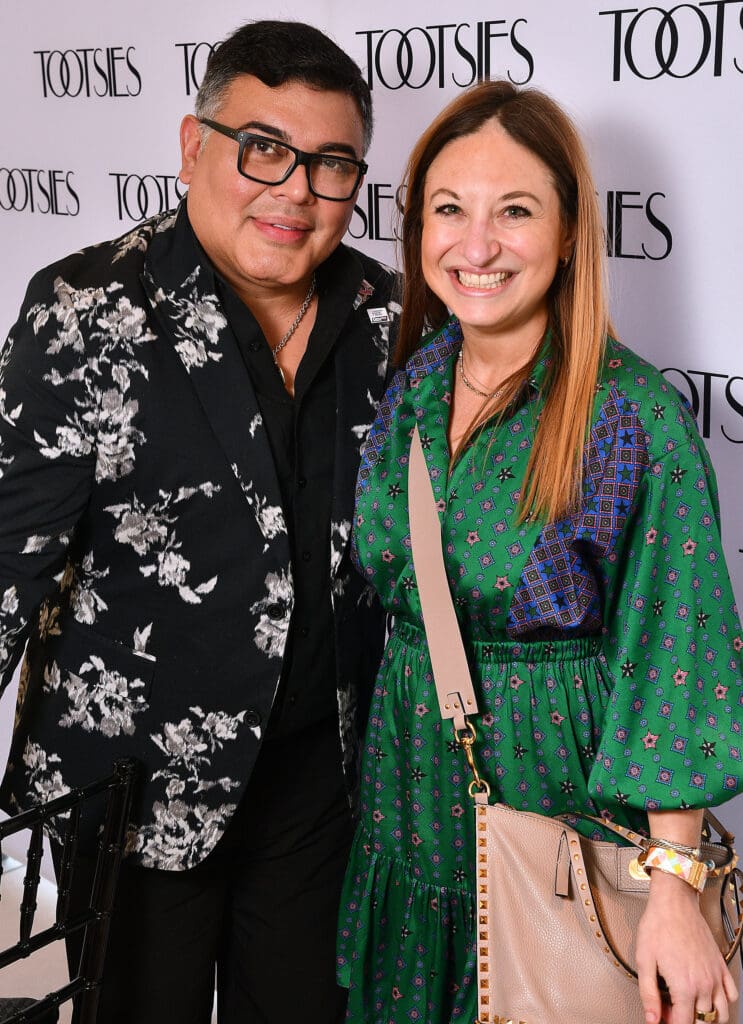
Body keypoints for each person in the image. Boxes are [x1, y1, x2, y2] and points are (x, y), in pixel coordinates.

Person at [0, 19, 399, 1024]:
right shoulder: (84, 309)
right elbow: (7, 550)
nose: (295, 191)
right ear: (192, 147)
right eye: (263, 148)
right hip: (132, 794)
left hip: (321, 793)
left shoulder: (391, 316)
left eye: (331, 163)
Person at [337, 80, 743, 1024]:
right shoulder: (414, 386)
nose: (475, 246)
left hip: (557, 806)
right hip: (407, 793)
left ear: (566, 236)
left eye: (514, 212)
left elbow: (675, 656)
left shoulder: (630, 415)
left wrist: (672, 888)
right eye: (449, 209)